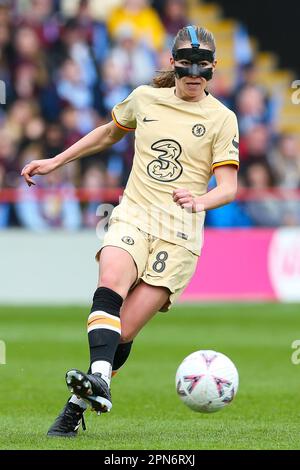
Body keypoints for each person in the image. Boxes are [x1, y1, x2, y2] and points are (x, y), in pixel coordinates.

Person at [21, 25, 239, 437]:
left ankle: (76, 407)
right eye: (187, 64)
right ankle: (100, 378)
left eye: (203, 66)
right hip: (134, 215)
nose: (195, 73)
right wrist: (55, 162)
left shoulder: (222, 119)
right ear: (173, 63)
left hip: (179, 236)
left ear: (213, 67)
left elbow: (228, 187)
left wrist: (200, 201)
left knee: (125, 330)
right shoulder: (144, 99)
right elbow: (108, 133)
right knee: (109, 283)